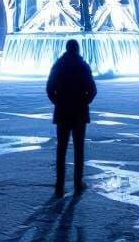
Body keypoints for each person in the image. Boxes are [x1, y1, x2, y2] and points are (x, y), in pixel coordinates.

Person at [46, 39, 97, 197]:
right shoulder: (83, 66)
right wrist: (83, 102)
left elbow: (49, 88)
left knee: (61, 148)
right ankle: (78, 181)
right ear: (77, 49)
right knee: (79, 148)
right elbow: (93, 90)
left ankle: (59, 183)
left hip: (62, 112)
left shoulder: (59, 65)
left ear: (66, 49)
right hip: (79, 113)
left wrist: (58, 102)